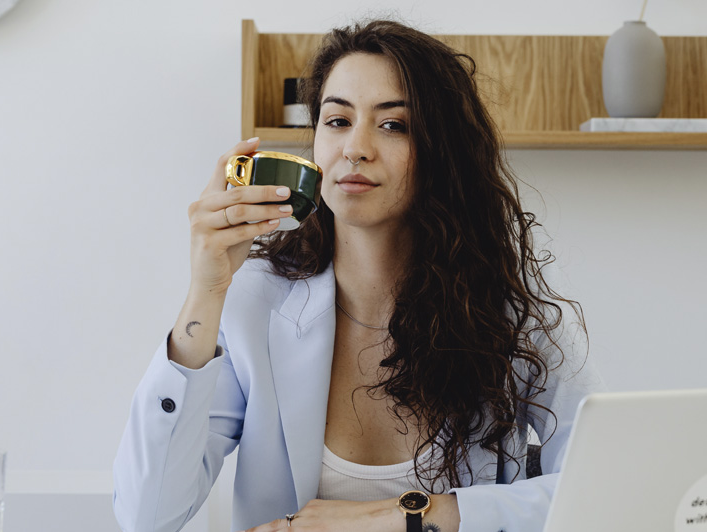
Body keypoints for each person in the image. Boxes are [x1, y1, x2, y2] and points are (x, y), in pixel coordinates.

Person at [113, 19, 601, 532]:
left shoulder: (509, 318)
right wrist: (206, 291)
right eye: (337, 121)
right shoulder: (254, 302)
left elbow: (608, 485)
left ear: (442, 153)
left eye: (393, 125)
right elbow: (146, 517)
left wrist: (415, 516)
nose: (355, 148)